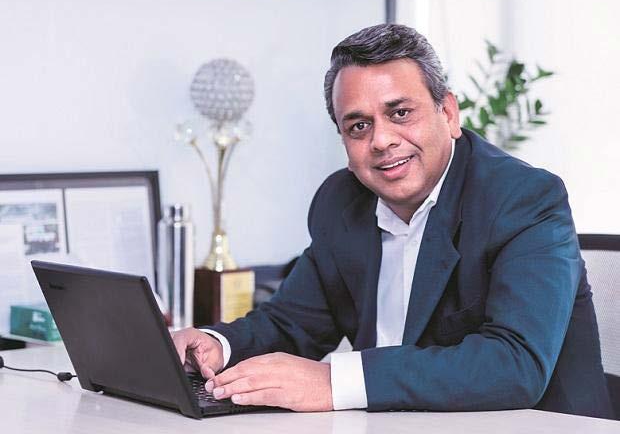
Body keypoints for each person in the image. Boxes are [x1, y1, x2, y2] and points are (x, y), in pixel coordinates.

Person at [172, 24, 613, 418]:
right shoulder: (340, 202)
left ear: (449, 114)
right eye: (358, 126)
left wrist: (333, 381)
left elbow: (515, 364)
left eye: (400, 113)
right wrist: (216, 345)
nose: (382, 140)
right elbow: (292, 322)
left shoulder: (522, 198)